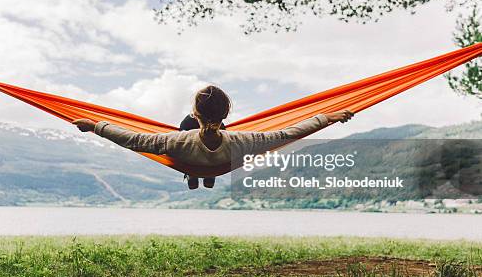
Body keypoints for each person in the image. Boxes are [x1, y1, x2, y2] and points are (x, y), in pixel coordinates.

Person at [72, 85, 354, 190]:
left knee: (182, 128)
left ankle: (193, 175)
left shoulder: (174, 141)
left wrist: (94, 125)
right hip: (221, 160)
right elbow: (289, 133)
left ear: (196, 113)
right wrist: (328, 118)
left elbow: (132, 139)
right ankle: (206, 176)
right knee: (212, 146)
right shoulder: (244, 141)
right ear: (226, 113)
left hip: (187, 157)